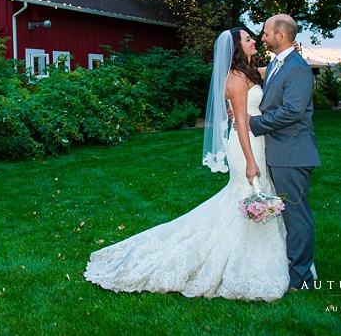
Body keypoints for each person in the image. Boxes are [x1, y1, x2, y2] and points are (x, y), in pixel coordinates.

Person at [84, 28, 289, 301]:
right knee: (246, 192)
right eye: (248, 39)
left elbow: (270, 72)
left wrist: (288, 55)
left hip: (255, 140)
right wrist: (251, 161)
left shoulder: (248, 72)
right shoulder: (238, 79)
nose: (255, 41)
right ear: (238, 49)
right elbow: (240, 122)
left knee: (250, 194)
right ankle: (239, 259)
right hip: (246, 144)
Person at [247, 14, 320, 291]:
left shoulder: (298, 69)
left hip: (293, 154)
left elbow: (291, 112)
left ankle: (302, 277)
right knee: (289, 212)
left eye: (266, 33)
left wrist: (252, 122)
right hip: (279, 151)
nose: (262, 38)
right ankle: (294, 266)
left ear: (281, 35)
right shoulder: (279, 64)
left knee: (295, 214)